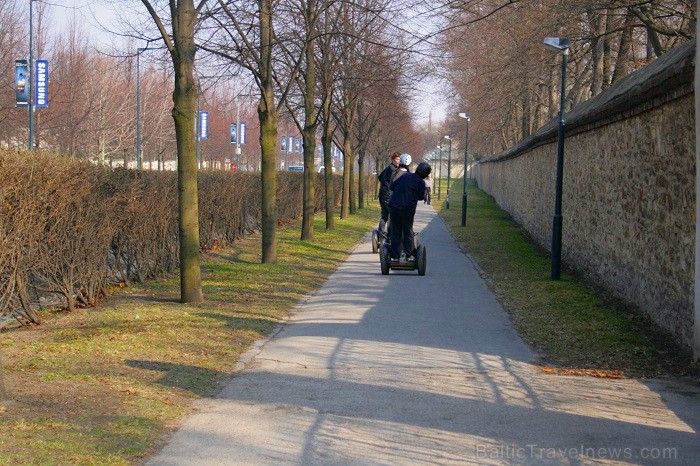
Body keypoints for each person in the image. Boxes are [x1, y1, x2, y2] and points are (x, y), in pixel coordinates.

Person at [388, 158, 431, 261]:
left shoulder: (405, 175)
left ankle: (395, 256)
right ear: (425, 174)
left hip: (394, 206)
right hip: (407, 209)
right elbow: (421, 197)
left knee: (396, 231)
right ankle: (409, 254)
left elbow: (392, 186)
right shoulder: (421, 182)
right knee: (407, 231)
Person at [376, 151, 401, 233]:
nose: (399, 161)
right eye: (397, 159)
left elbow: (380, 177)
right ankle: (391, 234)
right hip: (388, 195)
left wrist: (385, 184)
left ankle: (381, 233)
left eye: (399, 159)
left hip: (383, 194)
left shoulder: (388, 167)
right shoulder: (393, 169)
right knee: (393, 214)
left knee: (385, 215)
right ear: (393, 160)